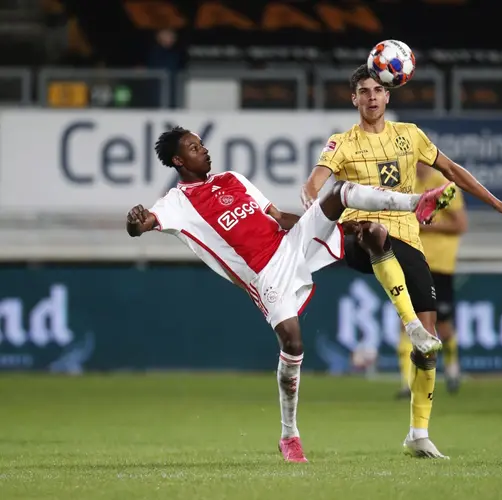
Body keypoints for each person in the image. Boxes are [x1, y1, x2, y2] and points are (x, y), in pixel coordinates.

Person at [125, 126, 455, 463]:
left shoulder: (232, 179)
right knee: (293, 344)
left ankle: (417, 203)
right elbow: (143, 225)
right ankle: (289, 435)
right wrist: (135, 220)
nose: (204, 150)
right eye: (195, 148)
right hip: (264, 275)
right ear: (179, 160)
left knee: (340, 192)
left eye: (202, 144)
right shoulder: (178, 202)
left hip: (289, 243)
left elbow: (279, 217)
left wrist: (338, 226)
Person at [301, 64, 502, 459]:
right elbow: (314, 183)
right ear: (353, 99)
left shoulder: (411, 136)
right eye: (363, 91)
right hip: (359, 234)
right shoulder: (341, 143)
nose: (371, 97)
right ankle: (409, 323)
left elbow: (453, 171)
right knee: (375, 233)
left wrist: (499, 204)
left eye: (377, 90)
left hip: (408, 238)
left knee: (430, 345)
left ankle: (418, 434)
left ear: (389, 94)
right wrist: (314, 206)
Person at [395, 162, 468, 399]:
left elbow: (460, 224)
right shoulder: (405, 185)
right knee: (407, 321)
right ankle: (408, 384)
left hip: (440, 265)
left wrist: (427, 225)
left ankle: (453, 369)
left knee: (442, 325)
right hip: (412, 262)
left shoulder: (444, 185)